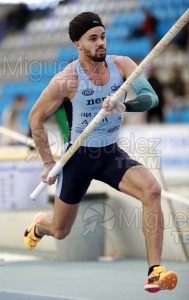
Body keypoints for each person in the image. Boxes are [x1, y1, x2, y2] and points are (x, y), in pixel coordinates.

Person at [24, 12, 177, 293]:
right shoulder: (66, 80)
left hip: (109, 154)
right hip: (78, 158)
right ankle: (38, 227)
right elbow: (35, 118)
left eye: (103, 36)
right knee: (60, 230)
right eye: (92, 39)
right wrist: (47, 162)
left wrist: (125, 106)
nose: (101, 43)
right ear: (77, 45)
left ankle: (154, 271)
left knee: (152, 190)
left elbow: (151, 98)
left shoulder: (121, 65)